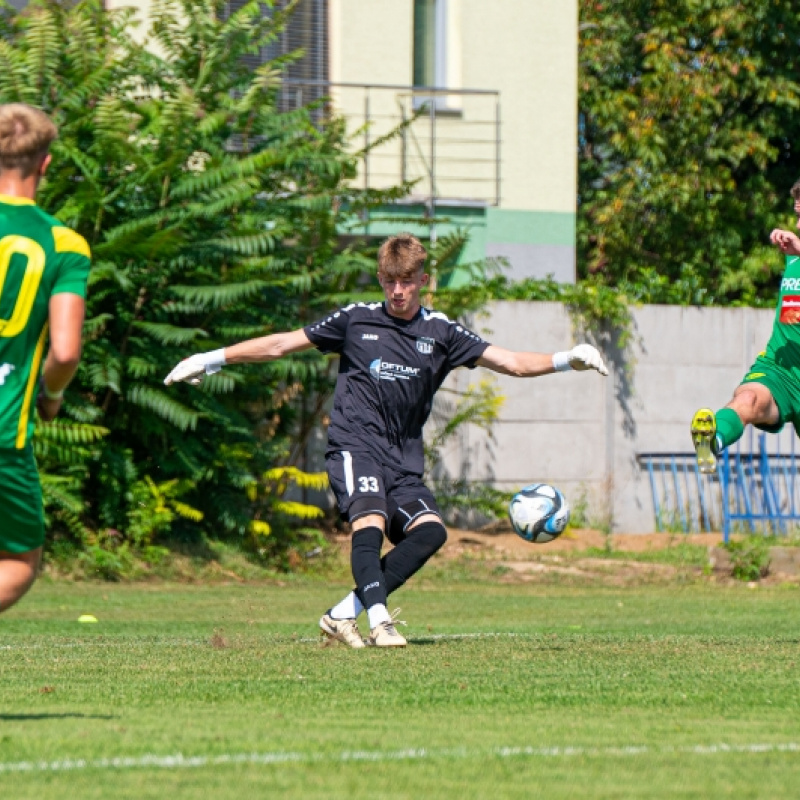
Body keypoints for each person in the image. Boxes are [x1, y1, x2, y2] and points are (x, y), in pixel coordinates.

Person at [165, 234, 608, 647]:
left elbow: (510, 361)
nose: (398, 291)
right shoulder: (355, 320)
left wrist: (567, 359)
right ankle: (379, 621)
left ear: (423, 281)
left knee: (431, 532)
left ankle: (343, 614)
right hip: (355, 447)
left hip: (403, 461)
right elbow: (282, 345)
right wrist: (211, 358)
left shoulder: (442, 333)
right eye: (391, 281)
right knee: (370, 524)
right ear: (381, 279)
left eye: (407, 282)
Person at [0, 103, 91, 613]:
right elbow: (65, 350)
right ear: (45, 163)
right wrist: (51, 395)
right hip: (4, 429)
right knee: (18, 560)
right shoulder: (63, 244)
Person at [691, 180, 800, 474]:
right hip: (781, 370)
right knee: (748, 399)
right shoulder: (795, 257)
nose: (798, 223)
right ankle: (712, 441)